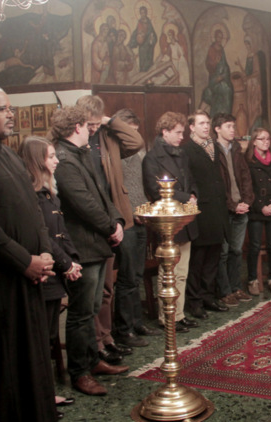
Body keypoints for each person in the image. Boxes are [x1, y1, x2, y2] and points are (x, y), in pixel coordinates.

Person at [0, 85, 57, 421]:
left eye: (10, 108)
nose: (11, 115)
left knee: (33, 356)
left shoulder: (8, 154)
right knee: (5, 362)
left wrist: (46, 254)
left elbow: (34, 210)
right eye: (2, 109)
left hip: (30, 277)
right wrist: (26, 261)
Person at [53, 105, 129, 396]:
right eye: (88, 126)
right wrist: (111, 227)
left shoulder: (79, 154)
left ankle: (93, 360)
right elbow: (83, 202)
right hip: (83, 246)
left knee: (92, 309)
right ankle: (80, 372)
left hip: (96, 242)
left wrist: (117, 221)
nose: (91, 130)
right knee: (81, 312)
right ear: (76, 127)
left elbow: (102, 192)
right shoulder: (65, 159)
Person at [76, 95, 145, 362]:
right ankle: (97, 342)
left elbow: (136, 142)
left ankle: (107, 337)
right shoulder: (76, 142)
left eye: (95, 123)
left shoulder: (107, 136)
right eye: (88, 124)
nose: (92, 129)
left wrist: (109, 121)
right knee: (96, 288)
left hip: (115, 212)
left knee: (108, 287)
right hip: (93, 220)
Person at [20, 136, 81, 417]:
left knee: (48, 336)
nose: (56, 160)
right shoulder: (31, 195)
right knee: (40, 339)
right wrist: (65, 263)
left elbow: (62, 231)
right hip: (46, 274)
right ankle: (40, 397)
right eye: (51, 156)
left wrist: (73, 261)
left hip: (58, 273)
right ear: (36, 161)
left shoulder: (49, 193)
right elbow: (45, 237)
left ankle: (45, 393)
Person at [108, 109, 163, 348]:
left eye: (137, 130)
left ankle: (136, 322)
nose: (136, 134)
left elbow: (139, 185)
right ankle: (124, 329)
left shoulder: (137, 151)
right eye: (131, 129)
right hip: (127, 221)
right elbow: (118, 191)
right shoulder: (113, 152)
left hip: (141, 219)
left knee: (137, 275)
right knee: (128, 277)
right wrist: (132, 213)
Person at [142, 111, 200, 333]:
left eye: (183, 132)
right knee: (169, 271)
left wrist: (193, 193)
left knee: (182, 271)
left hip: (184, 217)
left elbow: (190, 179)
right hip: (168, 221)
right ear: (164, 132)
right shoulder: (152, 158)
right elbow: (155, 190)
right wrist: (187, 197)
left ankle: (179, 314)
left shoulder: (181, 154)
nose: (181, 137)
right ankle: (167, 317)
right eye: (177, 132)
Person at [183, 110, 230, 318]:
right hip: (201, 210)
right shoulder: (187, 149)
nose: (206, 126)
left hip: (218, 209)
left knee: (214, 256)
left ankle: (208, 296)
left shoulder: (214, 146)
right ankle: (194, 302)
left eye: (207, 123)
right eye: (201, 123)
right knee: (198, 259)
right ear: (191, 127)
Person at [214, 113, 254, 306]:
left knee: (236, 251)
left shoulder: (237, 149)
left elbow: (246, 178)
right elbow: (217, 185)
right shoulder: (212, 150)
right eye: (228, 126)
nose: (232, 130)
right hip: (224, 210)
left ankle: (236, 287)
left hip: (242, 208)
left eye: (233, 126)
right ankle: (224, 291)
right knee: (223, 252)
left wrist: (246, 201)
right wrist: (232, 205)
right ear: (217, 129)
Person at [245, 127, 271, 295]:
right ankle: (252, 279)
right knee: (254, 245)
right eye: (262, 139)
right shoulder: (248, 160)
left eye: (268, 139)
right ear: (254, 141)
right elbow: (248, 187)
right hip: (256, 207)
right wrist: (261, 206)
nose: (266, 142)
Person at [201, 29, 234, 116]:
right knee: (225, 90)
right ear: (215, 37)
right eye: (218, 37)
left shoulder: (221, 49)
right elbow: (208, 64)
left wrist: (224, 74)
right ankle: (219, 115)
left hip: (222, 77)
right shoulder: (212, 49)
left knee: (229, 89)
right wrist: (215, 62)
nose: (220, 39)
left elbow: (225, 64)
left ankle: (226, 115)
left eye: (221, 38)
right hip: (214, 78)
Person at [128, 6, 157, 72]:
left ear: (146, 13)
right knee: (142, 62)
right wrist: (132, 41)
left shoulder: (149, 23)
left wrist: (152, 39)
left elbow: (152, 33)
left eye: (144, 12)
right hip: (142, 46)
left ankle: (149, 77)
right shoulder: (139, 22)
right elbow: (136, 32)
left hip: (149, 46)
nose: (143, 14)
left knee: (148, 61)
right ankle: (143, 74)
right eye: (141, 13)